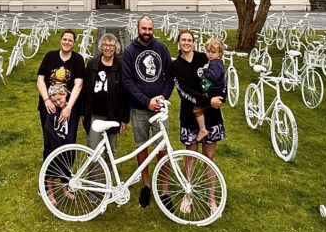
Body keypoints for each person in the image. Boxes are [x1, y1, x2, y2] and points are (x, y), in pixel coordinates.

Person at [171, 29, 225, 214]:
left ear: (193, 42)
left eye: (189, 40)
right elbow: (183, 92)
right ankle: (188, 195)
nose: (186, 43)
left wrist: (220, 98)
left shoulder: (205, 58)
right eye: (183, 40)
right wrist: (207, 100)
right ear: (178, 43)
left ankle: (211, 198)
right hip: (189, 114)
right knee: (190, 158)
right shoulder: (175, 66)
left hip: (211, 115)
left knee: (209, 158)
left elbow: (220, 81)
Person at [121, 15, 173, 208]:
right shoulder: (129, 52)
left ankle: (165, 189)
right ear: (138, 28)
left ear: (153, 29)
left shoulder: (162, 49)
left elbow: (170, 76)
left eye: (150, 29)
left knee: (162, 148)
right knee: (141, 147)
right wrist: (146, 101)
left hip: (159, 109)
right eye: (144, 28)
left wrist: (162, 98)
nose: (147, 32)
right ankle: (145, 185)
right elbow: (127, 82)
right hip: (138, 109)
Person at [36, 30, 86, 203]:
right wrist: (46, 100)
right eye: (64, 39)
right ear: (60, 41)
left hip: (68, 111)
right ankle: (48, 188)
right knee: (50, 146)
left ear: (74, 43)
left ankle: (64, 184)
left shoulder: (78, 60)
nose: (66, 42)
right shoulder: (50, 56)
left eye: (70, 40)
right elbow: (40, 80)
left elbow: (79, 84)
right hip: (49, 110)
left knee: (68, 146)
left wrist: (69, 107)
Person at [80, 33, 129, 154]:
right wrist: (82, 112)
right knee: (93, 149)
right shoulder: (92, 64)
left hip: (113, 114)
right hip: (94, 113)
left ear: (116, 48)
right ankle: (94, 173)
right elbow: (85, 89)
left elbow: (125, 94)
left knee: (111, 151)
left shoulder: (121, 66)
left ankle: (109, 171)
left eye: (111, 45)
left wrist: (124, 119)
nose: (108, 48)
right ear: (101, 46)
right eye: (105, 45)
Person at [192, 37, 227, 142]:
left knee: (197, 109)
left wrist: (205, 70)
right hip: (212, 91)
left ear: (219, 53)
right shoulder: (213, 62)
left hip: (214, 92)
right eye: (208, 51)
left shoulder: (217, 64)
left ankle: (203, 129)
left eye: (213, 52)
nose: (210, 54)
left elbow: (213, 77)